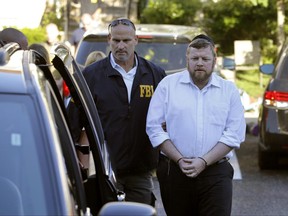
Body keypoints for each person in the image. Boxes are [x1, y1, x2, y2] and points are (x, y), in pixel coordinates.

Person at [67, 18, 166, 206]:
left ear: (136, 40)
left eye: (126, 41)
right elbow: (72, 121)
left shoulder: (155, 74)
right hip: (104, 171)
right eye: (116, 40)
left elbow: (169, 119)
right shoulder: (91, 75)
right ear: (109, 40)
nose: (121, 46)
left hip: (141, 171)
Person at [146, 34, 246, 216]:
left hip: (216, 172)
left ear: (214, 61)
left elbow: (234, 134)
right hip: (175, 172)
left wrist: (204, 161)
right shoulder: (167, 86)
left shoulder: (228, 90)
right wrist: (179, 159)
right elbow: (153, 128)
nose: (200, 63)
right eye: (195, 58)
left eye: (205, 59)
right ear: (187, 59)